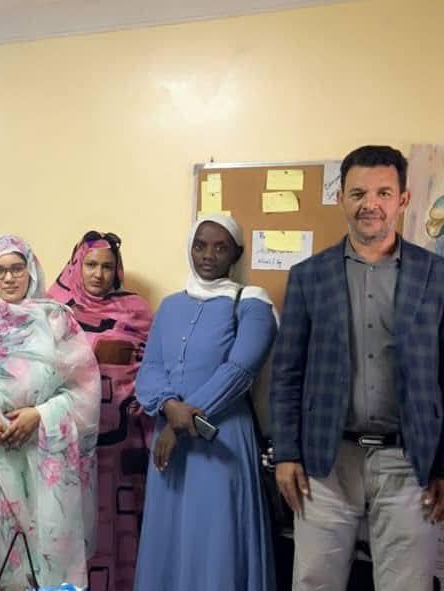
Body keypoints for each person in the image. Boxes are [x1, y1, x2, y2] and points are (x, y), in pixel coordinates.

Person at [270, 145, 444, 591]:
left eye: (384, 192)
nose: (371, 204)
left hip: (410, 463)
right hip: (325, 465)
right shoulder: (309, 276)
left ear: (403, 200)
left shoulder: (436, 276)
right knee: (314, 582)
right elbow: (287, 373)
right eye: (358, 193)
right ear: (341, 199)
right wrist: (286, 453)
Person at [0, 234, 100, 591]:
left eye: (17, 268)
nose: (9, 278)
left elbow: (85, 389)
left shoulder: (56, 321)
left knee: (41, 562)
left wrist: (40, 415)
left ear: (31, 271)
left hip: (44, 460)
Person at [133, 213, 277, 591]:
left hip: (221, 441)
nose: (208, 255)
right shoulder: (169, 306)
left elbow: (240, 370)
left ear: (237, 254)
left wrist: (181, 422)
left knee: (216, 540)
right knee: (169, 539)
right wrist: (169, 408)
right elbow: (150, 370)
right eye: (200, 246)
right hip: (170, 444)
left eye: (220, 248)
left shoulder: (253, 304)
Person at [47, 231, 154, 591]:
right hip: (71, 439)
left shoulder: (136, 310)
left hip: (122, 441)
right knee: (72, 520)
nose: (98, 274)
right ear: (76, 266)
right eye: (91, 265)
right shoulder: (53, 310)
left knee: (120, 523)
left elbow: (153, 364)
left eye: (107, 267)